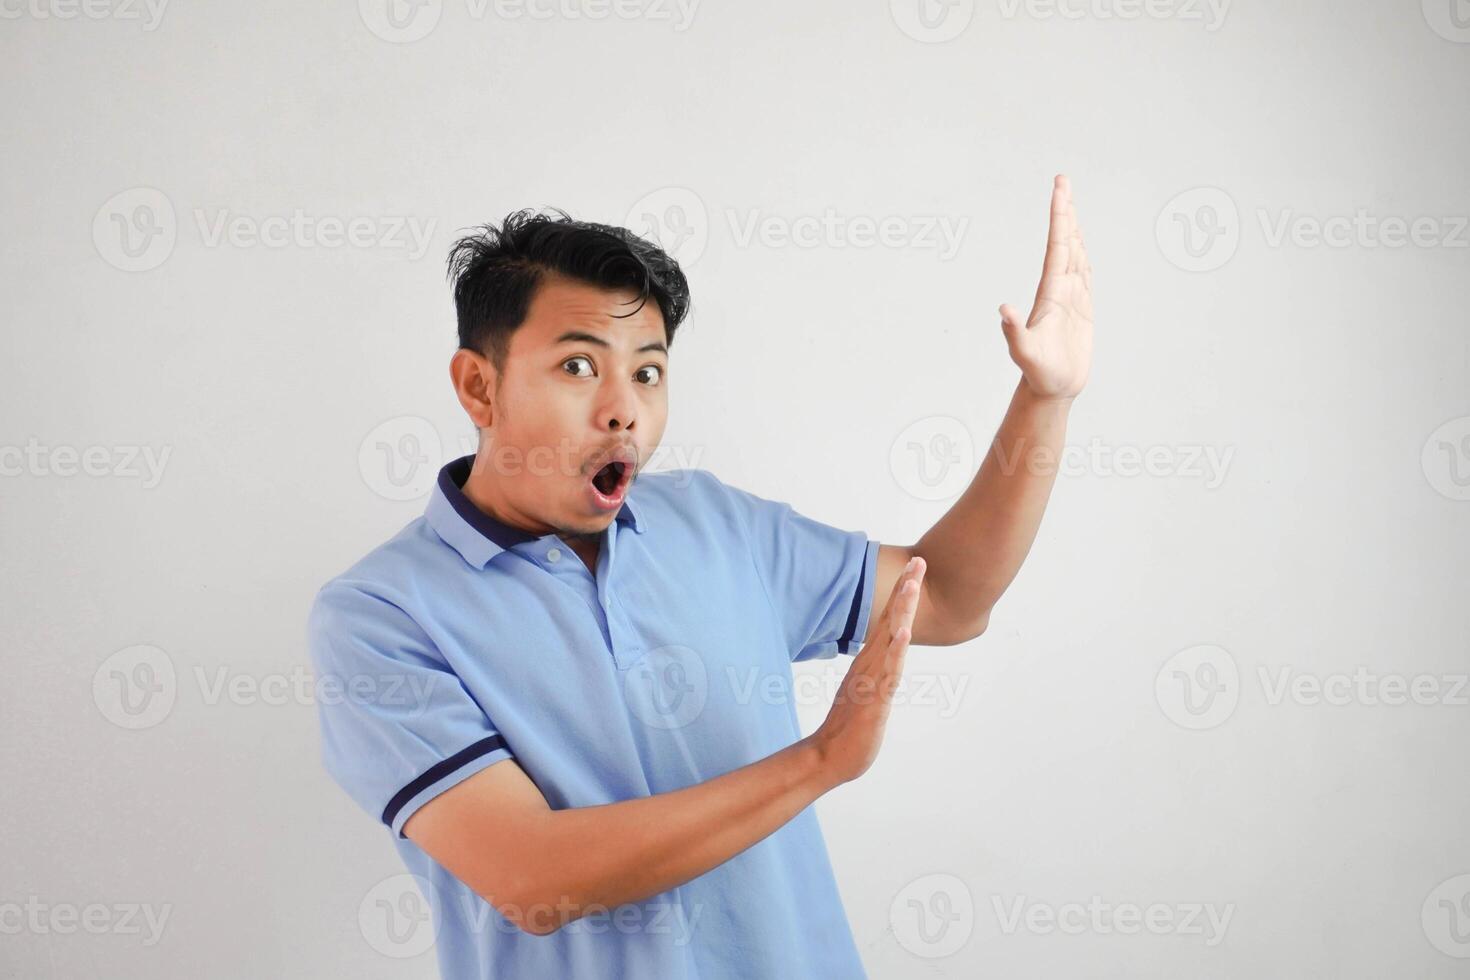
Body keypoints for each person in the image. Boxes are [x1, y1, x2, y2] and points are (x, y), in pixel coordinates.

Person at [306, 176, 1093, 979]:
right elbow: (530, 875)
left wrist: (1044, 398)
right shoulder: (380, 614)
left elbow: (954, 597)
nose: (623, 410)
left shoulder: (719, 526)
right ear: (479, 385)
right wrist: (821, 760)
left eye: (647, 373)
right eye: (579, 365)